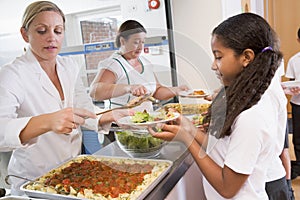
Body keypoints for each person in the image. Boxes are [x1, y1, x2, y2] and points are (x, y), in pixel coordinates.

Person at [149, 13, 288, 199]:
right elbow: (221, 150)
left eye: (219, 57)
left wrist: (187, 140)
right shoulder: (244, 100)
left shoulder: (252, 116)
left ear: (246, 57)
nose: (214, 66)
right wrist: (187, 128)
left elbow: (227, 187)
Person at [0, 1, 130, 195]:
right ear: (25, 34)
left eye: (58, 31)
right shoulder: (12, 74)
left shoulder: (69, 66)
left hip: (71, 173)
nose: (51, 37)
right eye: (42, 31)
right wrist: (47, 122)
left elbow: (83, 109)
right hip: (33, 180)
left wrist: (109, 116)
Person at [89, 19, 188, 111]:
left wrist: (176, 90)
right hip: (120, 123)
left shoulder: (145, 63)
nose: (140, 47)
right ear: (122, 41)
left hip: (145, 123)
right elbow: (94, 92)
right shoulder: (113, 64)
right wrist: (128, 88)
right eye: (136, 42)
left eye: (143, 42)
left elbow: (157, 90)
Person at [285, 27, 300, 180]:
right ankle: (299, 166)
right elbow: (291, 83)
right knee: (298, 137)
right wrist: (292, 88)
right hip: (298, 104)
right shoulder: (294, 60)